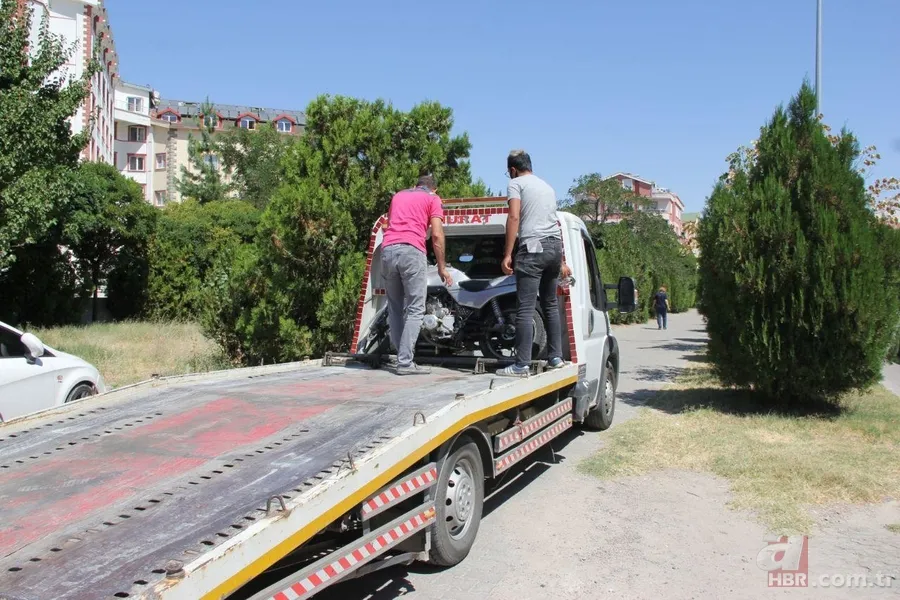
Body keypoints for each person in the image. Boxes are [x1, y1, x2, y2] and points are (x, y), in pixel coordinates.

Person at [497, 150, 570, 377]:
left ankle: (521, 364)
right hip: (554, 247)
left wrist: (507, 254)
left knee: (525, 308)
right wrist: (562, 260)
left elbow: (514, 217)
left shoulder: (516, 184)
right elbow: (554, 223)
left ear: (512, 170)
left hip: (532, 247)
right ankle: (556, 358)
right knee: (550, 305)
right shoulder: (547, 187)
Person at [381, 174, 453, 375]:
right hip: (411, 251)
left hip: (387, 250)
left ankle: (401, 357)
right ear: (434, 189)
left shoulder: (398, 196)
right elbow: (436, 234)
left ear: (415, 185)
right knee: (415, 308)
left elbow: (390, 224)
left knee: (395, 308)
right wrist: (442, 267)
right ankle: (405, 363)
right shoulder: (433, 198)